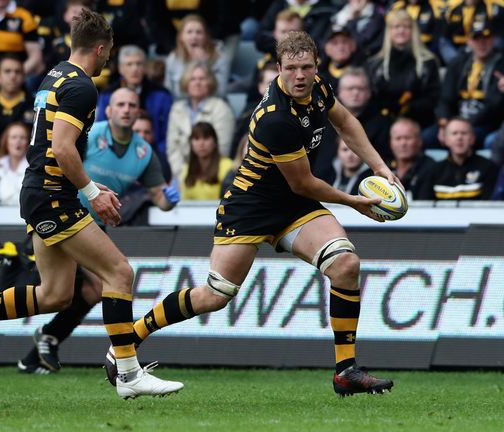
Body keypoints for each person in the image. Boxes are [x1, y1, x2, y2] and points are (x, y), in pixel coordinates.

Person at [105, 31, 397, 397]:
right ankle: (129, 337)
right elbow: (304, 183)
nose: (300, 75)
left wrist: (380, 167)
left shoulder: (319, 87)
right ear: (278, 68)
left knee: (346, 266)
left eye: (307, 67)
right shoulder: (276, 117)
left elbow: (346, 122)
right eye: (291, 68)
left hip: (292, 206)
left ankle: (345, 371)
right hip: (252, 206)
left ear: (317, 66)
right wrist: (354, 201)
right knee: (215, 294)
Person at [0, 9, 183, 399]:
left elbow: (54, 149)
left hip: (42, 191)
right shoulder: (83, 87)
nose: (109, 60)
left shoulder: (55, 74)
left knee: (55, 294)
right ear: (100, 48)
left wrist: (89, 183)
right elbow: (61, 147)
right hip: (53, 196)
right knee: (119, 273)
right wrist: (93, 193)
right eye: (109, 52)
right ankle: (128, 373)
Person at [15, 88, 179, 374]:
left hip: (93, 228)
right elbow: (60, 159)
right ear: (109, 111)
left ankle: (43, 344)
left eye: (132, 105)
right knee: (71, 287)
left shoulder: (143, 152)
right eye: (121, 104)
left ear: (138, 112)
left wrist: (169, 200)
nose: (127, 109)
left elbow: (159, 196)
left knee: (89, 290)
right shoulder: (90, 135)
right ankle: (121, 362)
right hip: (61, 215)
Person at [96, 45, 173, 178]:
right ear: (120, 68)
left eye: (139, 64)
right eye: (129, 64)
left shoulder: (162, 95)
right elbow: (102, 130)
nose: (134, 69)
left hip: (155, 155)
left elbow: (167, 135)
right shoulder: (108, 95)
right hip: (116, 156)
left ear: (145, 67)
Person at [435, 17, 504, 149]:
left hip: (485, 123)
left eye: (486, 37)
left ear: (494, 39)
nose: (481, 43)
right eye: (476, 38)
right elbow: (445, 99)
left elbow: (493, 107)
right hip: (454, 121)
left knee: (484, 140)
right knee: (425, 137)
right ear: (468, 41)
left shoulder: (501, 64)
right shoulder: (458, 63)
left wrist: (463, 125)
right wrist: (444, 124)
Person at [366, 9, 440, 130]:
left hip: (419, 122)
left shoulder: (428, 62)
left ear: (413, 31)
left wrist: (407, 108)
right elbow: (371, 97)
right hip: (383, 122)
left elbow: (432, 98)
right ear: (389, 31)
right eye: (396, 27)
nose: (401, 30)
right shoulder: (374, 64)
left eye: (406, 27)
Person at [166, 62, 234, 181]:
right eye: (192, 79)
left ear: (210, 82)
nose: (197, 83)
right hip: (181, 175)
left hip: (213, 174)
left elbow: (222, 148)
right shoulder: (176, 109)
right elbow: (173, 149)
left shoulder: (221, 108)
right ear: (186, 83)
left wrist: (201, 176)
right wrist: (184, 175)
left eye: (202, 79)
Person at [417, 117, 499, 199]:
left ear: (473, 139)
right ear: (446, 140)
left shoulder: (489, 168)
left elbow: (489, 205)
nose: (459, 137)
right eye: (454, 133)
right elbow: (424, 204)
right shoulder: (433, 171)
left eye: (464, 133)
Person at [164, 14, 230, 99]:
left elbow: (221, 92)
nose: (194, 37)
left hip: (214, 106)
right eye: (189, 32)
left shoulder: (220, 57)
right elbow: (169, 92)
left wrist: (203, 64)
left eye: (199, 32)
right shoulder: (173, 58)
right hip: (182, 106)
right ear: (181, 36)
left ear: (206, 36)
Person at [180, 122, 233, 200]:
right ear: (191, 143)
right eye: (196, 139)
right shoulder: (186, 168)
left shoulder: (228, 166)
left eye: (206, 138)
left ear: (215, 142)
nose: (201, 143)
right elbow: (184, 202)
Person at [0, 122, 29, 206]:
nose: (18, 141)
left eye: (22, 137)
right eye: (14, 137)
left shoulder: (34, 169)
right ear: (6, 142)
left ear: (27, 142)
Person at [389, 117, 436, 198]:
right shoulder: (383, 168)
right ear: (391, 143)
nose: (403, 143)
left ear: (419, 141)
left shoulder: (434, 169)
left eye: (408, 138)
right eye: (398, 138)